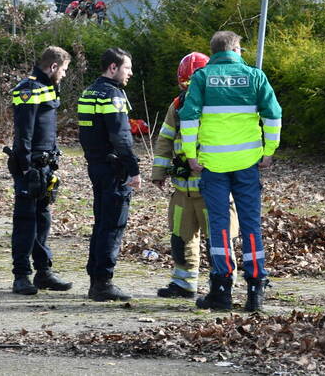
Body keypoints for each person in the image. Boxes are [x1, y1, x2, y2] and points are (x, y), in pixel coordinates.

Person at [179, 31, 281, 312]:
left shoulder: (201, 78)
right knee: (250, 225)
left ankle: (222, 291)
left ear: (213, 52)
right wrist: (269, 150)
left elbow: (189, 117)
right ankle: (255, 290)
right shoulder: (255, 76)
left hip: (213, 164)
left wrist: (191, 155)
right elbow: (273, 114)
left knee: (220, 226)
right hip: (247, 163)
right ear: (237, 49)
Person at [151, 52, 239, 300]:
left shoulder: (222, 105)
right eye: (184, 84)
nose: (188, 89)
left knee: (219, 241)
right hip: (183, 189)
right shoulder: (177, 105)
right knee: (181, 237)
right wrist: (159, 171)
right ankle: (184, 283)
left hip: (214, 187)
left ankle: (222, 285)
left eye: (192, 83)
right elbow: (165, 138)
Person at [9, 46, 73, 295]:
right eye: (64, 70)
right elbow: (23, 133)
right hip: (30, 166)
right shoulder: (29, 89)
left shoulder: (48, 87)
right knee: (25, 221)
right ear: (54, 66)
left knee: (42, 219)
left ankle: (43, 272)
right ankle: (21, 275)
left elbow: (48, 129)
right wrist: (25, 169)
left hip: (45, 165)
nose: (65, 75)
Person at [78, 47, 141, 301]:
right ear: (113, 68)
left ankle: (96, 278)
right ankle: (103, 283)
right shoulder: (113, 96)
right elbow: (121, 137)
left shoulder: (88, 92)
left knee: (101, 222)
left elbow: (85, 134)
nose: (131, 73)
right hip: (114, 169)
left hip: (96, 165)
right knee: (113, 224)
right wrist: (133, 169)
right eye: (127, 68)